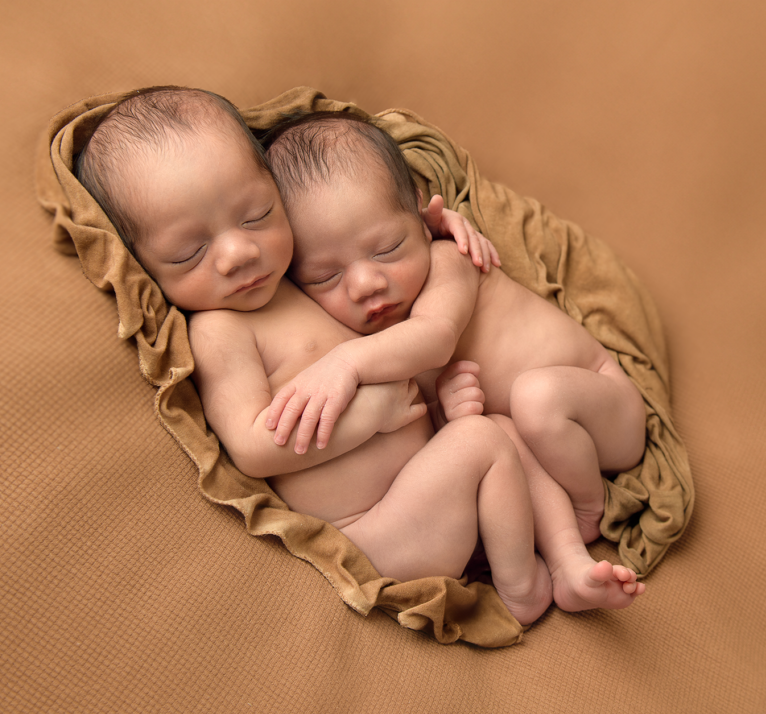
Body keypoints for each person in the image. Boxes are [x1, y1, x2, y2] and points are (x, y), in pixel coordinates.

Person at [74, 85, 640, 625]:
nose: (239, 253)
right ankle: (524, 590)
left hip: (425, 489)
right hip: (374, 530)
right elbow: (249, 447)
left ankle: (570, 564)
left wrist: (428, 230)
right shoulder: (220, 329)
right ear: (140, 260)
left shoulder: (302, 277)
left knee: (501, 430)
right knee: (486, 440)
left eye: (256, 217)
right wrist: (373, 418)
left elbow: (362, 242)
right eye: (189, 252)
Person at [262, 111, 648, 595]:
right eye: (325, 277)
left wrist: (343, 363)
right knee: (493, 431)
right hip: (539, 444)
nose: (365, 284)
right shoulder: (373, 333)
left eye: (387, 249)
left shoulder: (449, 263)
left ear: (424, 218)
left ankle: (590, 507)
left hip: (602, 409)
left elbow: (436, 337)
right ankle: (568, 564)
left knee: (536, 396)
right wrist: (450, 411)